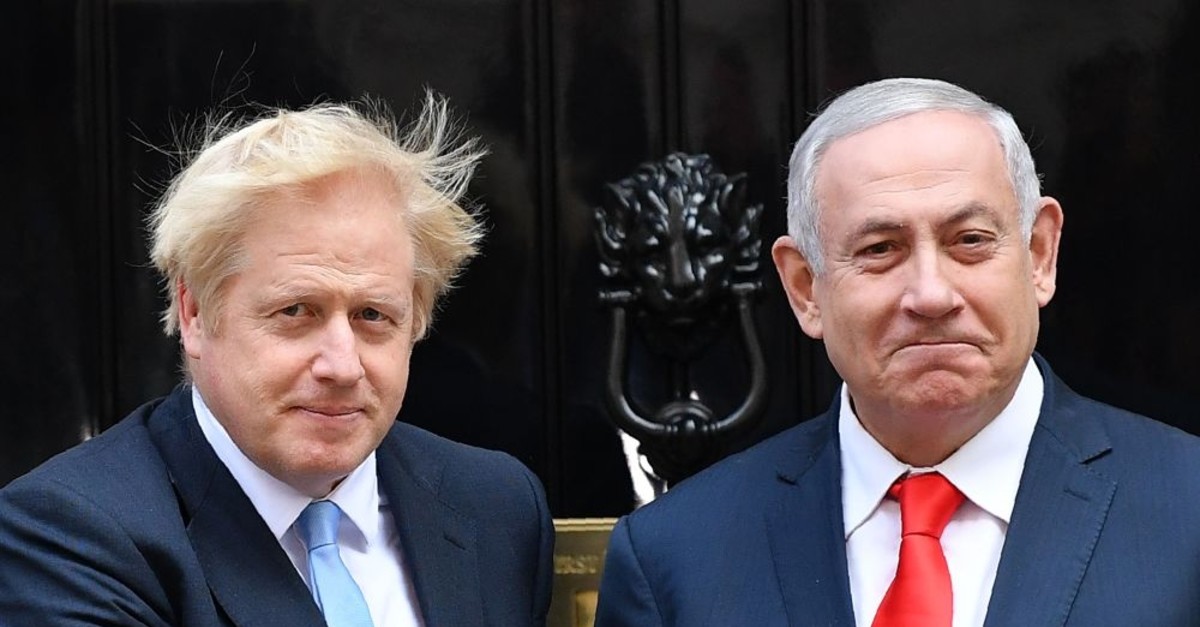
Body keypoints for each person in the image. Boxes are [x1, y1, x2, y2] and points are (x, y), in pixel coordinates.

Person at [594, 77, 1200, 626]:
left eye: (970, 241)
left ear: (1039, 254)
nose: (931, 295)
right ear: (805, 289)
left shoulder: (1186, 508)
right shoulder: (677, 556)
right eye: (881, 249)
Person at [0, 94, 554, 626]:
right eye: (296, 311)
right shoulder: (68, 535)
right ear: (194, 312)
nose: (342, 366)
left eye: (372, 316)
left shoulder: (497, 505)